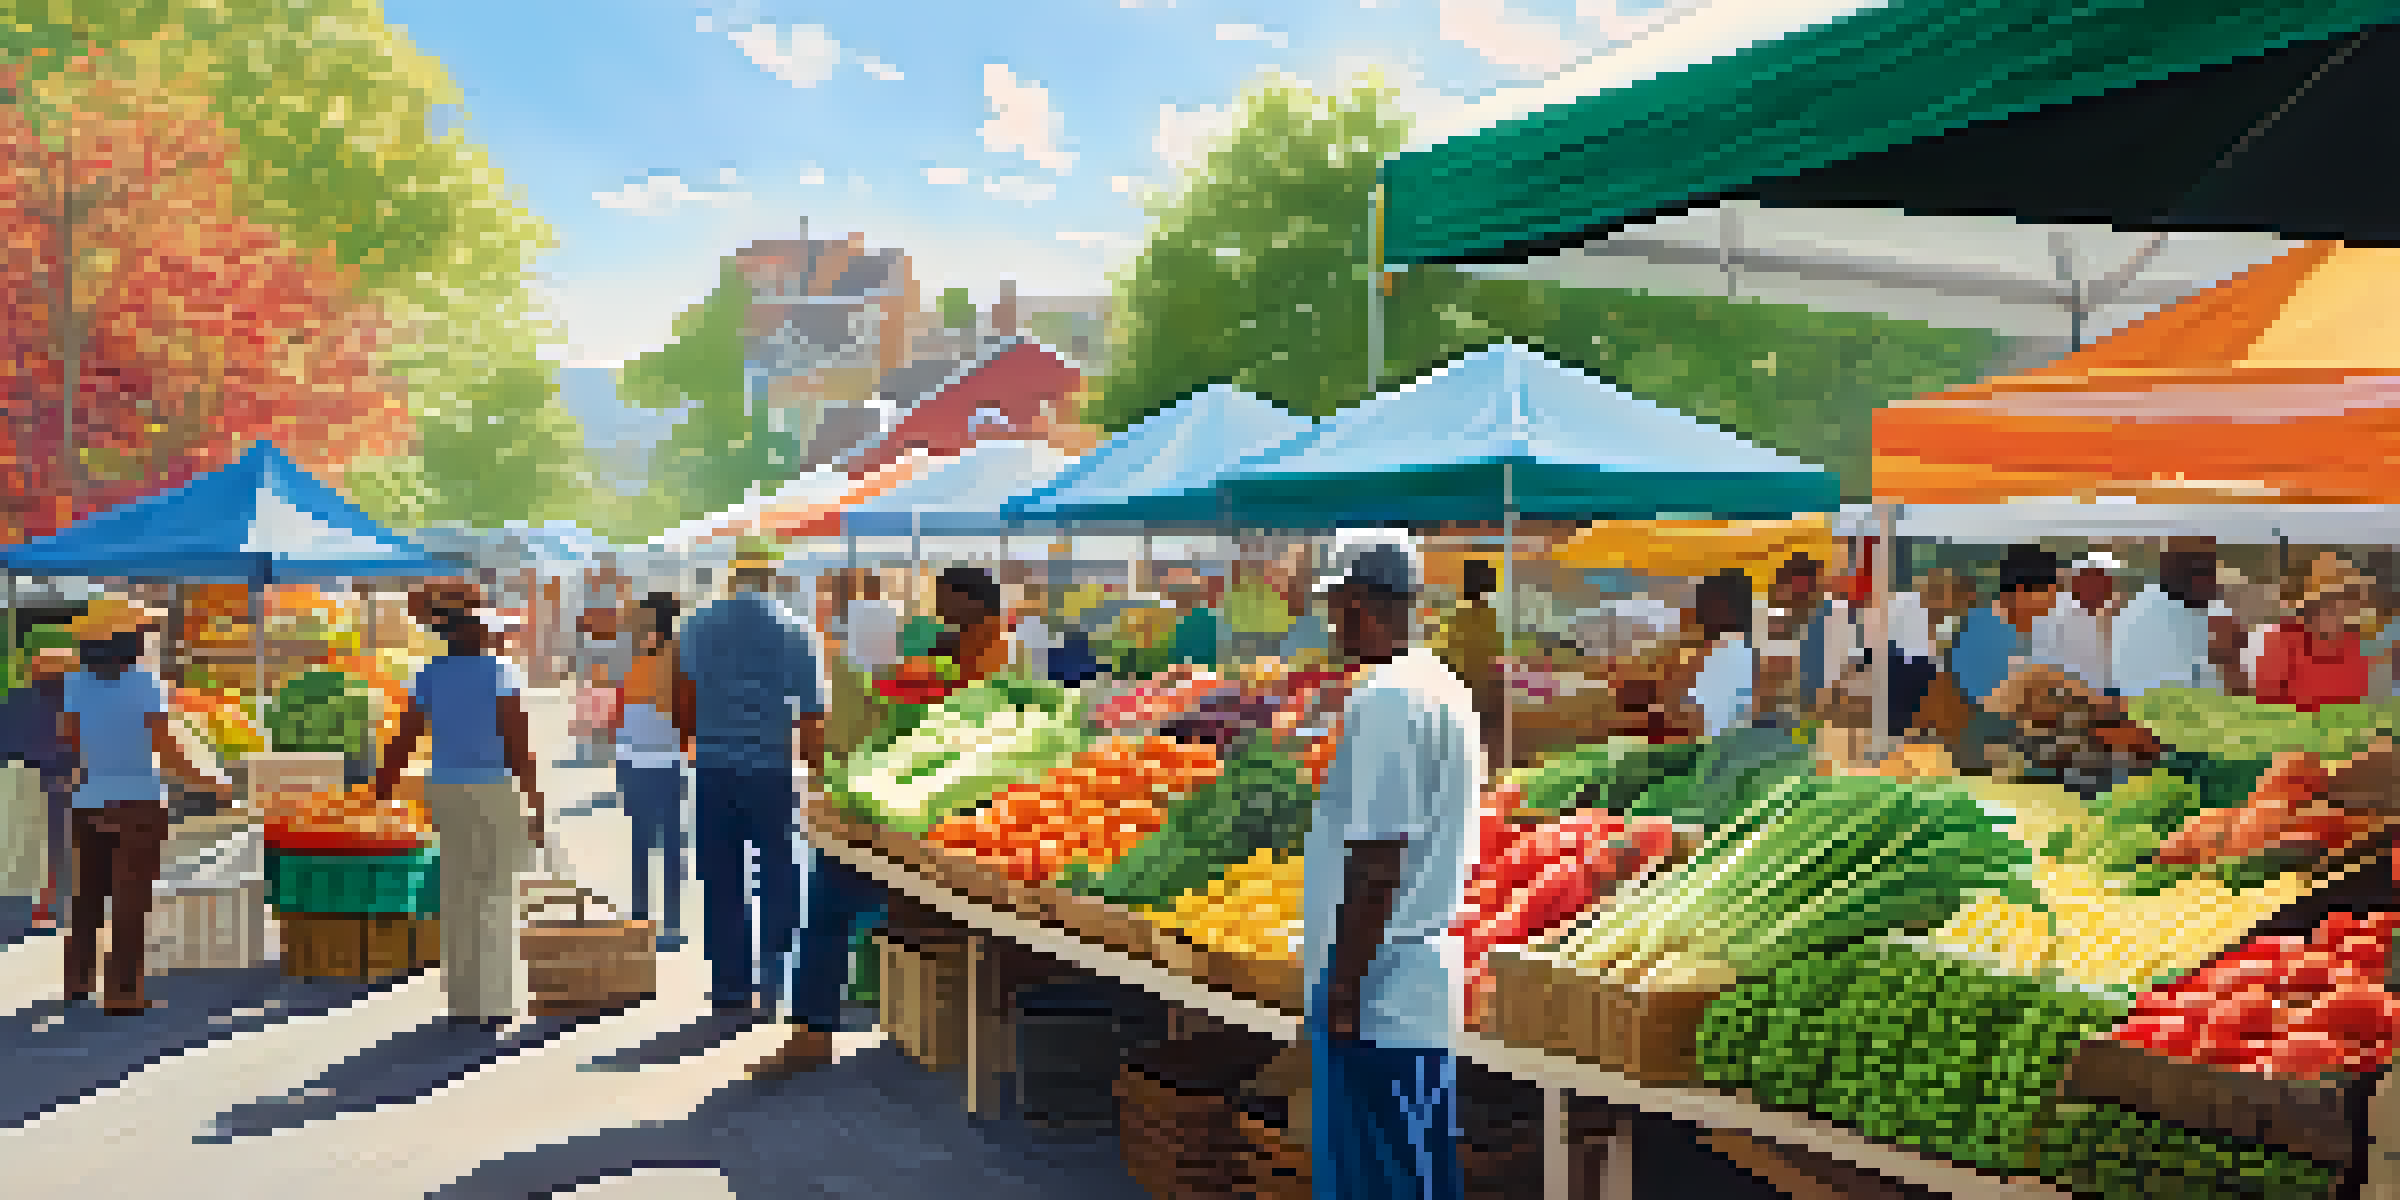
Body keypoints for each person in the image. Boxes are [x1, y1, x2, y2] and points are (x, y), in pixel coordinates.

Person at [1304, 536, 1480, 1200]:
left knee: (1372, 1177)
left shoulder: (1385, 700)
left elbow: (1378, 860)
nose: (1333, 626)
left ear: (1354, 606)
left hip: (1379, 987)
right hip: (1422, 983)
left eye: (1335, 610)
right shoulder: (1444, 687)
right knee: (1420, 1173)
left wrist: (1344, 994)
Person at [677, 550, 844, 1078]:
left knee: (720, 875)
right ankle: (774, 982)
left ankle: (730, 986)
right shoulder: (797, 631)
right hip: (774, 765)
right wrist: (819, 777)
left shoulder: (698, 625)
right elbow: (813, 716)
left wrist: (696, 742)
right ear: (773, 580)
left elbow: (682, 696)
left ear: (732, 578)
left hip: (716, 763)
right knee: (780, 873)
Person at [375, 581, 547, 1028]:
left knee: (458, 890)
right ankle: (496, 1000)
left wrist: (380, 790)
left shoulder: (428, 674)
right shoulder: (500, 673)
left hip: (445, 789)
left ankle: (464, 1001)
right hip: (493, 787)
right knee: (496, 890)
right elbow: (517, 742)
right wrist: (535, 800)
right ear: (476, 632)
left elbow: (404, 738)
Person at [59, 597, 230, 1014]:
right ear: (126, 639)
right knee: (130, 900)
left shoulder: (75, 682)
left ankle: (77, 981)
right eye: (142, 632)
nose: (147, 638)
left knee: (86, 895)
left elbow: (69, 738)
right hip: (138, 803)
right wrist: (213, 783)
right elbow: (167, 749)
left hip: (87, 800)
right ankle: (122, 992)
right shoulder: (145, 683)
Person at [614, 593, 692, 952]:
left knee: (658, 843)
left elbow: (685, 707)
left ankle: (664, 921)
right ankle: (649, 920)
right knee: (648, 843)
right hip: (642, 758)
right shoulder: (645, 657)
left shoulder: (675, 657)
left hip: (659, 759)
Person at [1948, 547, 2065, 769]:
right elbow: (1984, 705)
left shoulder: (2022, 630)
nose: (2052, 605)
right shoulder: (1982, 631)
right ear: (2021, 592)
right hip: (1982, 748)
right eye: (2049, 595)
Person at [0, 631, 79, 930]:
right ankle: (50, 905)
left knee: (37, 845)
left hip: (23, 780)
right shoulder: (71, 702)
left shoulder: (16, 700)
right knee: (61, 845)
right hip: (57, 780)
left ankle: (44, 905)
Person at [2111, 541, 2239, 697]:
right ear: (2194, 579)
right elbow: (2209, 680)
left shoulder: (2140, 601)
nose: (2215, 588)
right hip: (2160, 706)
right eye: (2211, 579)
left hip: (2126, 700)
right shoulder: (2184, 615)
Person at [2253, 553, 2374, 712]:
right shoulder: (2284, 639)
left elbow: (2358, 706)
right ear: (2309, 605)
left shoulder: (2354, 645)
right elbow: (2265, 705)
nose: (2337, 609)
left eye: (2346, 600)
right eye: (2328, 600)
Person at [2036, 553, 2122, 695]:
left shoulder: (2110, 615)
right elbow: (2045, 668)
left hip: (2104, 694)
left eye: (2108, 580)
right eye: (2097, 579)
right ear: (2079, 580)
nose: (2105, 586)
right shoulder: (2055, 615)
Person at [1688, 569, 1759, 738]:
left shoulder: (1728, 656)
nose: (1699, 614)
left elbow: (1706, 723)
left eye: (1705, 605)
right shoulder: (1741, 653)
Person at [932, 566, 1011, 685]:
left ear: (971, 599)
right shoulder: (955, 638)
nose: (939, 609)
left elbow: (965, 683)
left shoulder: (994, 639)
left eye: (945, 599)